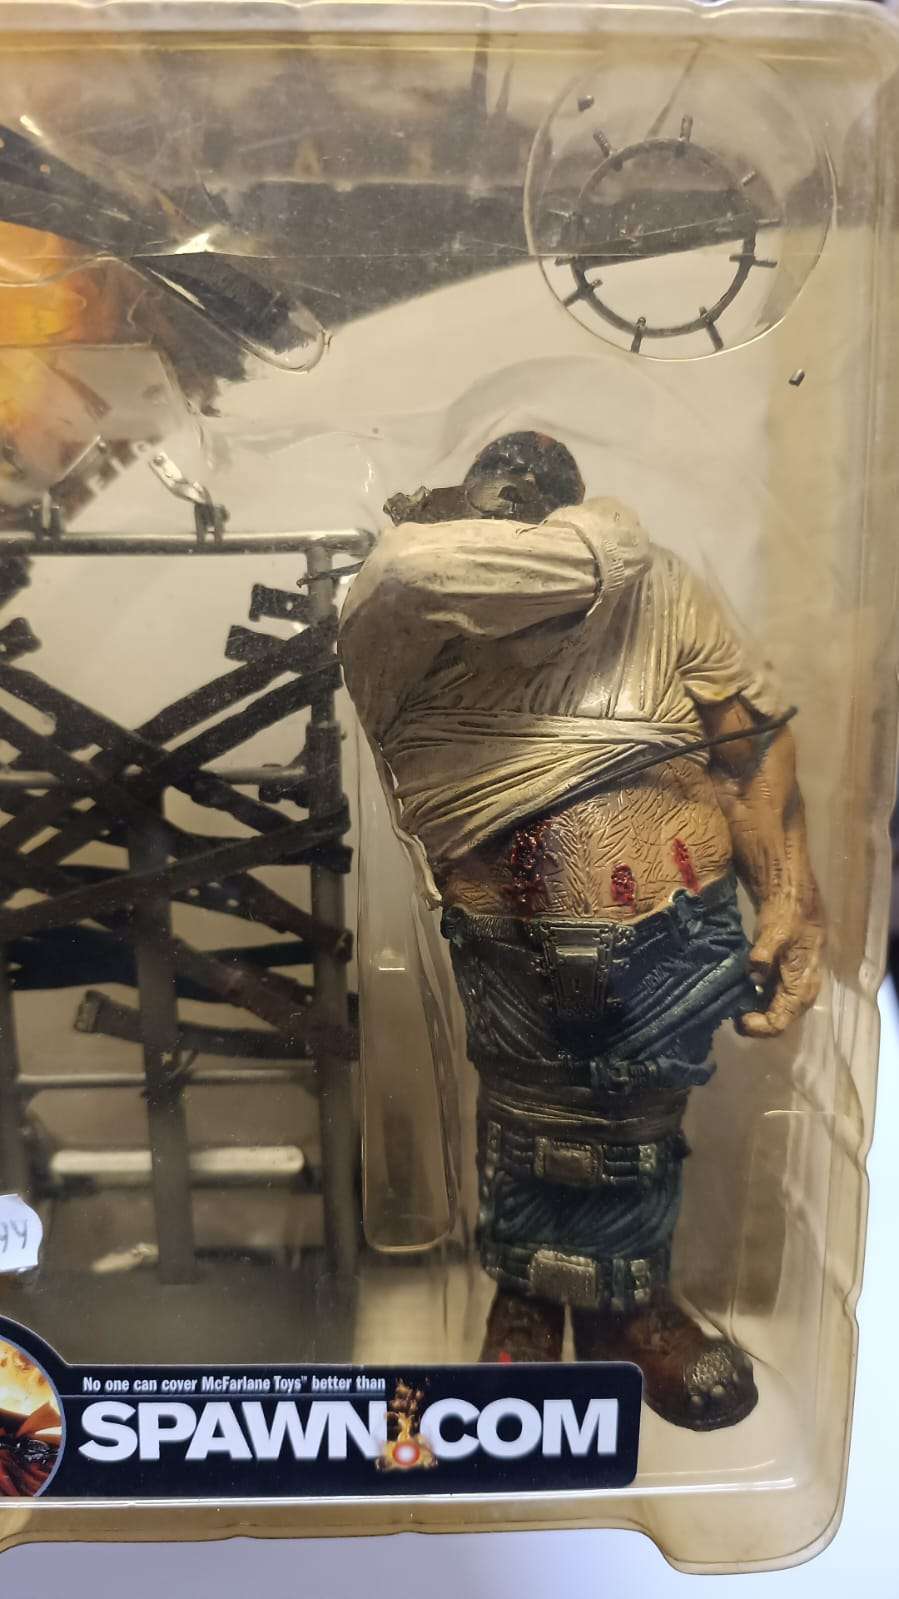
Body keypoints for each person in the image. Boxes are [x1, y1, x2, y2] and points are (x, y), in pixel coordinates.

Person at [339, 432, 824, 1431]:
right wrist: (600, 546)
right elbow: (418, 567)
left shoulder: (663, 593)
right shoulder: (403, 611)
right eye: (502, 510)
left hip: (671, 934)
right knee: (527, 1117)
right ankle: (523, 1303)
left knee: (635, 1124)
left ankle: (626, 1310)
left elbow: (748, 745)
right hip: (505, 940)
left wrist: (787, 894)